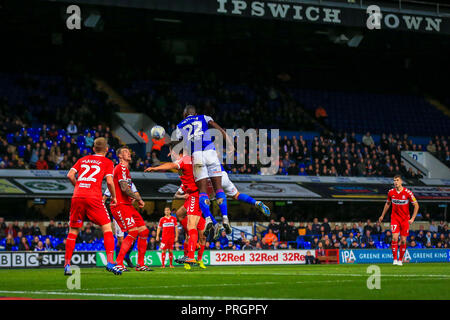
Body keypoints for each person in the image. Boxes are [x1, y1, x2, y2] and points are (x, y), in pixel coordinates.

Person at [64, 137, 121, 276]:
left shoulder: (83, 159)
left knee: (73, 231)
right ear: (107, 149)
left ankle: (67, 265)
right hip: (93, 197)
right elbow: (109, 181)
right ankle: (109, 262)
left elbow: (70, 175)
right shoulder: (107, 162)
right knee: (107, 227)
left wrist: (78, 186)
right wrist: (114, 197)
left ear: (93, 149)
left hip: (77, 196)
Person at [174, 105, 234, 236]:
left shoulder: (180, 125)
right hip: (210, 152)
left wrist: (172, 150)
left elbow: (177, 142)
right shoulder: (204, 117)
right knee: (218, 188)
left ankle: (208, 219)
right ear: (195, 112)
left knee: (202, 191)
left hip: (197, 156)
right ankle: (225, 218)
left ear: (185, 114)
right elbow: (218, 128)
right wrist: (228, 140)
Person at [145, 141, 201, 265]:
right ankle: (194, 241)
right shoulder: (190, 159)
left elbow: (171, 165)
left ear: (175, 152)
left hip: (195, 195)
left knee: (192, 226)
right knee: (180, 214)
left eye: (171, 151)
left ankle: (191, 255)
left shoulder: (184, 159)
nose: (170, 154)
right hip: (193, 194)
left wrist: (155, 168)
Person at [109, 146, 150, 272]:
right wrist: (138, 199)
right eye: (125, 152)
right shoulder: (120, 167)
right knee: (133, 232)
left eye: (129, 152)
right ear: (120, 156)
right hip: (119, 205)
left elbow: (128, 189)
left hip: (127, 205)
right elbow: (124, 188)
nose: (129, 153)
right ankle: (119, 263)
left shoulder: (126, 170)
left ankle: (140, 264)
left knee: (144, 231)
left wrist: (136, 199)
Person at [379, 175, 419, 266]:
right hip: (395, 218)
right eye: (394, 180)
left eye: (397, 180)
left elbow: (416, 205)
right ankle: (395, 259)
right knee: (394, 238)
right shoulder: (391, 192)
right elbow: (388, 204)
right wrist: (382, 215)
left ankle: (400, 259)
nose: (395, 182)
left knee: (404, 240)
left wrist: (412, 218)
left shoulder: (408, 193)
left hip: (405, 220)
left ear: (401, 182)